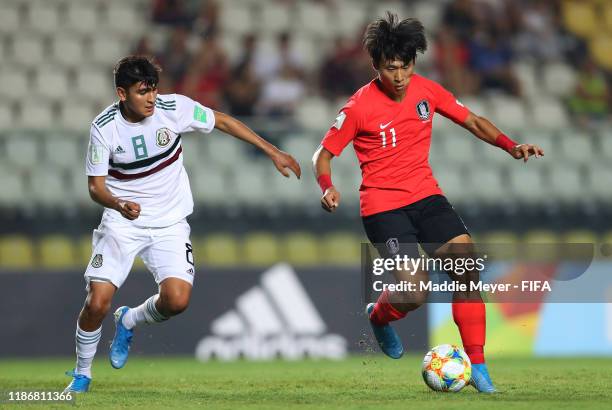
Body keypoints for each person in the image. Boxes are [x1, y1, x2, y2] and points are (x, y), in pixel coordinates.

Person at [312, 13, 543, 393]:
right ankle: (380, 317)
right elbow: (323, 154)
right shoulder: (358, 108)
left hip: (427, 196)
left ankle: (479, 366)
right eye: (391, 69)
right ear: (376, 66)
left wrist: (510, 145)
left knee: (467, 268)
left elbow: (472, 121)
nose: (400, 76)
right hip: (384, 208)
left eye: (405, 67)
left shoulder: (427, 91)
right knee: (416, 290)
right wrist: (326, 186)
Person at [64, 56, 301, 393]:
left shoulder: (173, 107)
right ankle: (82, 373)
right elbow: (95, 187)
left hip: (170, 223)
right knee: (97, 301)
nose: (150, 98)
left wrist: (271, 150)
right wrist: (118, 204)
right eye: (141, 92)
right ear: (121, 93)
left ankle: (129, 319)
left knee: (176, 300)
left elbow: (220, 120)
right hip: (122, 223)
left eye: (153, 90)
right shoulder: (103, 128)